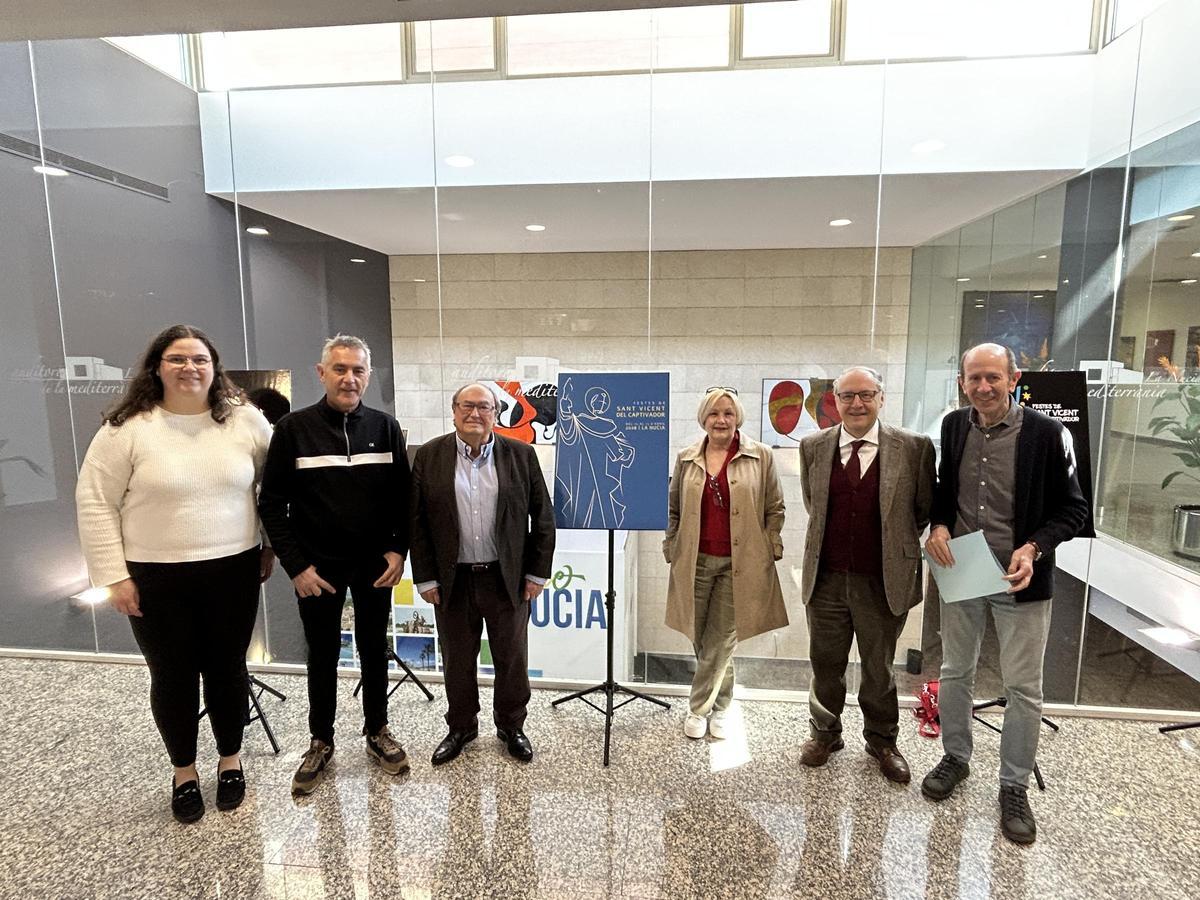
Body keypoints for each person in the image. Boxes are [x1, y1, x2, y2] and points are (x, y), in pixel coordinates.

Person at [75, 324, 275, 823]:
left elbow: (273, 489)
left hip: (232, 568)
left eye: (199, 359)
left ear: (215, 367)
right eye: (177, 359)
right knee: (172, 675)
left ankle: (230, 762)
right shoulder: (127, 428)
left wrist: (268, 546)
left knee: (229, 670)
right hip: (154, 575)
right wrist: (112, 576)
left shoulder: (245, 421)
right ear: (157, 367)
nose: (190, 368)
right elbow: (95, 502)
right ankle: (184, 771)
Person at [922, 342, 1089, 845]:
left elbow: (1074, 510)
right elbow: (943, 492)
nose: (983, 387)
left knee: (1023, 688)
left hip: (1021, 575)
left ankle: (1014, 786)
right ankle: (956, 757)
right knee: (955, 670)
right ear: (962, 383)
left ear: (1014, 378)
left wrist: (1034, 548)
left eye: (993, 377)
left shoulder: (1046, 433)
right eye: (974, 378)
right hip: (964, 570)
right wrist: (938, 525)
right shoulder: (954, 426)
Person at [258, 334, 412, 794]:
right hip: (317, 568)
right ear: (321, 373)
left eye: (358, 370)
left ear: (368, 375)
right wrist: (296, 567)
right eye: (340, 369)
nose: (349, 378)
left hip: (374, 564)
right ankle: (320, 741)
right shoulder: (293, 430)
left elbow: (404, 499)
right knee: (321, 654)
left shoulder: (386, 428)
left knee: (373, 651)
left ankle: (377, 732)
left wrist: (398, 550)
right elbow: (272, 505)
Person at [797, 366, 935, 783]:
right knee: (825, 663)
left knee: (879, 668)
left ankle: (881, 740)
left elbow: (923, 509)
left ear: (881, 398)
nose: (856, 403)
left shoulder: (914, 447)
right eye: (847, 396)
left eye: (866, 395)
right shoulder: (813, 446)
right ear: (835, 401)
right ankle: (825, 733)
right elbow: (813, 505)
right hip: (826, 579)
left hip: (883, 580)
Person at [410, 383, 556, 765]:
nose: (475, 413)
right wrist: (425, 577)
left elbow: (543, 518)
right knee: (458, 657)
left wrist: (537, 574)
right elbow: (417, 522)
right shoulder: (429, 456)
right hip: (451, 580)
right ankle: (461, 726)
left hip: (505, 577)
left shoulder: (521, 455)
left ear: (496, 413)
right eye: (467, 406)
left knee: (511, 657)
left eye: (484, 407)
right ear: (454, 411)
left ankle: (511, 725)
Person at [663, 388, 787, 740]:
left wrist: (769, 545)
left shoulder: (760, 456)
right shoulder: (687, 458)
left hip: (741, 565)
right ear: (704, 418)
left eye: (728, 414)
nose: (721, 420)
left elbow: (775, 508)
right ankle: (723, 705)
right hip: (695, 562)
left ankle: (699, 708)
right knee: (702, 638)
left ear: (738, 418)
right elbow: (673, 509)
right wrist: (671, 545)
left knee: (722, 640)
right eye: (714, 414)